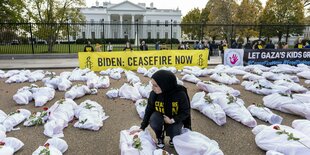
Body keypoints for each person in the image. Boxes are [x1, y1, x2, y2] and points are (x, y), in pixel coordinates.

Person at [130, 70, 191, 149]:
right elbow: (148, 110)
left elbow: (185, 112)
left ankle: (173, 138)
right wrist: (142, 127)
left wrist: (172, 120)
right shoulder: (154, 94)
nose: (152, 88)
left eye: (155, 85)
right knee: (154, 119)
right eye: (152, 85)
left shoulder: (180, 94)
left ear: (165, 85)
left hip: (175, 119)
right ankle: (160, 137)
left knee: (175, 131)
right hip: (160, 117)